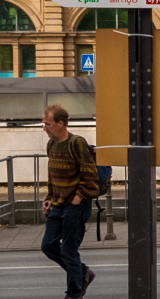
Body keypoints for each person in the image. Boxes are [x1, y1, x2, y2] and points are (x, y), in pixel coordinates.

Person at [41, 104, 97, 299]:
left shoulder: (77, 143)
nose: (44, 127)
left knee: (68, 251)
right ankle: (83, 272)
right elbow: (52, 176)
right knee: (48, 245)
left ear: (60, 123)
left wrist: (78, 198)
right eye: (43, 123)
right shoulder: (52, 145)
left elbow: (90, 174)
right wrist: (49, 198)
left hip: (76, 206)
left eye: (47, 124)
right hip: (57, 204)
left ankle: (74, 293)